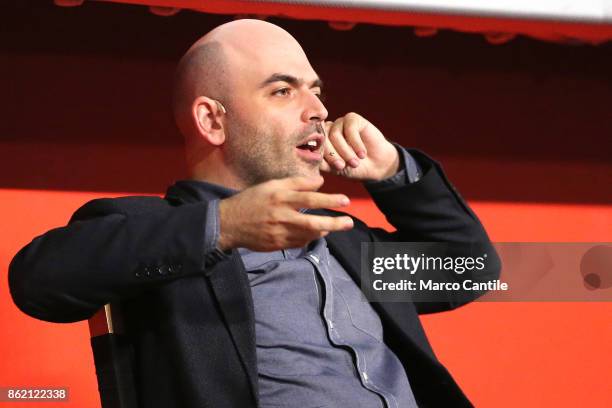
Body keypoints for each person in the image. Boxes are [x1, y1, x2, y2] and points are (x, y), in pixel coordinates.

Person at [9, 19, 499, 408]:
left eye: (316, 90)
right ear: (212, 121)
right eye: (283, 91)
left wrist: (392, 169)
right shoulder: (156, 235)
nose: (317, 111)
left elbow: (469, 270)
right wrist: (223, 227)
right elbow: (38, 281)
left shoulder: (345, 243)